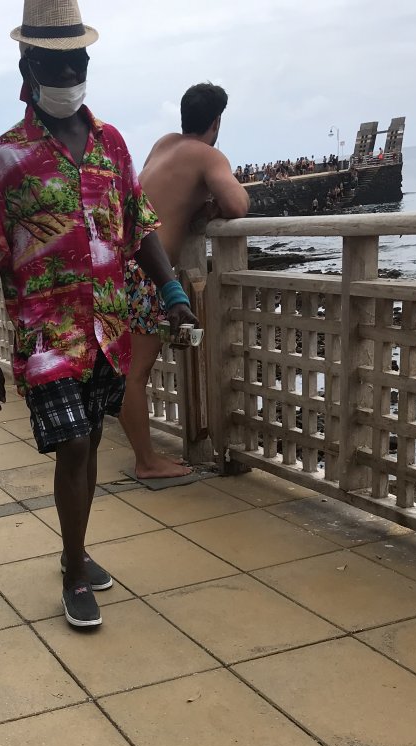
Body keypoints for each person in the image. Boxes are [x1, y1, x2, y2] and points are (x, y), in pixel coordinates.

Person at [0, 0, 194, 630]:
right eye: (55, 63)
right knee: (72, 445)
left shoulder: (111, 143)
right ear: (27, 66)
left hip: (109, 327)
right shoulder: (2, 157)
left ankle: (77, 548)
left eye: (79, 60)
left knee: (91, 440)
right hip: (46, 335)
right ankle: (73, 571)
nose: (70, 74)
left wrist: (172, 292)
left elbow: (139, 224)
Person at [122, 82, 249, 480]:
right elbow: (237, 205)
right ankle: (146, 462)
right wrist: (212, 205)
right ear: (216, 122)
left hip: (118, 264)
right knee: (135, 372)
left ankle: (146, 456)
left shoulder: (163, 144)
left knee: (125, 367)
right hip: (146, 272)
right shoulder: (208, 155)